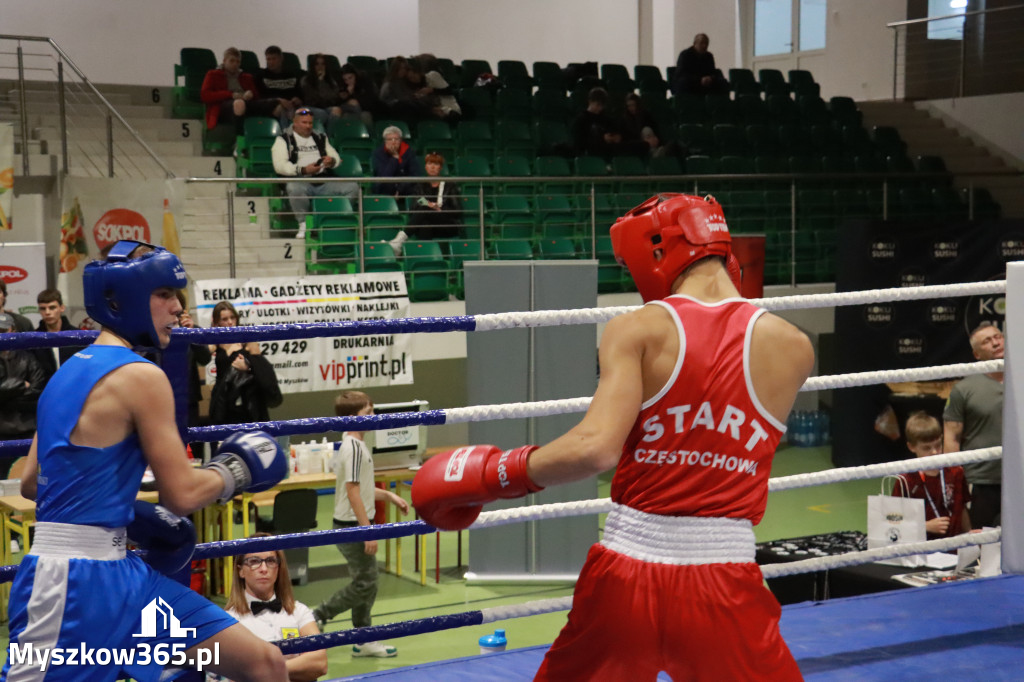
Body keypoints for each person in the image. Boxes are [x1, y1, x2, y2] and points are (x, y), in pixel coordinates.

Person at [412, 194, 813, 681]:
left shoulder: (638, 329)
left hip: (629, 577)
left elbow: (595, 446)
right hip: (724, 580)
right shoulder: (794, 347)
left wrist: (495, 474)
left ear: (657, 251)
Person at [4, 240, 290, 681]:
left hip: (126, 577)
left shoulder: (67, 373)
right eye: (164, 295)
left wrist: (117, 506)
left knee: (263, 662)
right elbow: (183, 495)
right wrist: (238, 469)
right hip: (73, 586)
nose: (178, 308)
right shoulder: (142, 375)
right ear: (125, 300)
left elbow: (30, 483)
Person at [312, 390, 409, 658]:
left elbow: (362, 489)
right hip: (351, 525)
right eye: (368, 412)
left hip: (353, 523)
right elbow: (353, 491)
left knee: (367, 580)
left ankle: (362, 638)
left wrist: (388, 495)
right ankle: (319, 615)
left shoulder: (355, 444)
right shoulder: (353, 448)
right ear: (354, 418)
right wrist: (368, 530)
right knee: (367, 582)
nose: (373, 416)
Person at [216, 533, 328, 681]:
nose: (263, 569)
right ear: (240, 570)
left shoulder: (299, 611)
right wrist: (296, 667)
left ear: (278, 568)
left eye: (270, 561)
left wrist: (265, 671)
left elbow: (319, 663)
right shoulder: (228, 621)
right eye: (254, 561)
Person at [943, 322, 1004, 528]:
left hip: (1018, 474)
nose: (995, 343)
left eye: (997, 337)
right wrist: (953, 481)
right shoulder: (964, 389)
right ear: (977, 354)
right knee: (981, 544)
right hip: (981, 480)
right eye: (987, 341)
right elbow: (951, 437)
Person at [271, 108, 353, 239]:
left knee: (352, 187)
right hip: (300, 180)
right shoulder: (283, 140)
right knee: (293, 187)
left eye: (310, 123)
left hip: (323, 180)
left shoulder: (320, 136)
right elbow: (279, 166)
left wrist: (331, 161)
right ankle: (303, 224)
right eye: (304, 123)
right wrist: (303, 170)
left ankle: (329, 220)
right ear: (295, 123)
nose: (308, 126)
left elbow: (335, 156)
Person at [892, 411, 971, 540]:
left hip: (955, 548)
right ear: (911, 447)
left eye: (938, 445)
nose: (934, 452)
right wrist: (924, 526)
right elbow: (894, 521)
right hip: (922, 551)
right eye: (926, 448)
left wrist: (969, 534)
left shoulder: (955, 471)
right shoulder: (905, 480)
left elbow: (961, 508)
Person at [208, 300, 283, 426]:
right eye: (224, 319)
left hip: (247, 400)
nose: (230, 322)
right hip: (225, 401)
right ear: (217, 322)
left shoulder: (246, 338)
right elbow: (203, 355)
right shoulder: (216, 341)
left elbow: (261, 366)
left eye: (232, 317)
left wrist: (248, 367)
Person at [0, 312, 46, 478]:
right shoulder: (28, 360)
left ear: (12, 331)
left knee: (30, 479)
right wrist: (21, 384)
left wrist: (6, 397)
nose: (1, 334)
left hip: (26, 428)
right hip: (2, 430)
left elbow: (37, 390)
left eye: (3, 331)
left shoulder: (28, 359)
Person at [200, 47, 275, 133]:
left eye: (238, 62)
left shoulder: (246, 77)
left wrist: (250, 94)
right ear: (224, 61)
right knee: (239, 103)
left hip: (246, 103)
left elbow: (256, 96)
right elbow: (205, 95)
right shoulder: (213, 74)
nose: (235, 64)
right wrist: (230, 95)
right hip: (223, 106)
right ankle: (240, 137)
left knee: (275, 104)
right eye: (232, 61)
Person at [570, 87, 648, 161]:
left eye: (602, 106)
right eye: (598, 105)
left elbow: (618, 131)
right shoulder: (581, 120)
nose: (600, 108)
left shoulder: (606, 119)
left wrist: (617, 137)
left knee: (640, 145)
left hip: (610, 148)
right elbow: (579, 142)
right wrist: (602, 139)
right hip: (594, 149)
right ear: (590, 102)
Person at [407, 152, 462, 242]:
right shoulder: (420, 185)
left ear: (440, 167)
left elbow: (457, 210)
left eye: (436, 164)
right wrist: (429, 206)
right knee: (425, 225)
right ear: (426, 167)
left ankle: (401, 239)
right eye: (429, 164)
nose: (432, 167)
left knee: (424, 209)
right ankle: (427, 255)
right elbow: (413, 208)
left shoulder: (449, 185)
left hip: (445, 224)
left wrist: (440, 209)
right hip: (427, 224)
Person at [34, 287, 85, 381]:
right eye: (43, 308)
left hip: (73, 388)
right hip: (44, 391)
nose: (47, 312)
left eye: (52, 307)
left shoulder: (77, 336)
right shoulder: (34, 339)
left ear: (62, 308)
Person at [257, 45, 304, 127]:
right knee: (283, 110)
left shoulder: (291, 75)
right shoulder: (261, 76)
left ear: (281, 59)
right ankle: (286, 136)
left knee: (319, 113)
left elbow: (300, 93)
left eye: (274, 59)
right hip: (272, 106)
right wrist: (278, 101)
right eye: (268, 59)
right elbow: (261, 97)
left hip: (293, 106)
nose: (271, 62)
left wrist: (297, 99)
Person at [370, 124, 421, 198]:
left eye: (396, 139)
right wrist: (394, 158)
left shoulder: (408, 151)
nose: (393, 142)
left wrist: (399, 189)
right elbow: (384, 176)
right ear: (385, 141)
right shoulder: (378, 153)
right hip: (385, 188)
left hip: (405, 188)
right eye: (390, 139)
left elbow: (415, 175)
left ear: (400, 140)